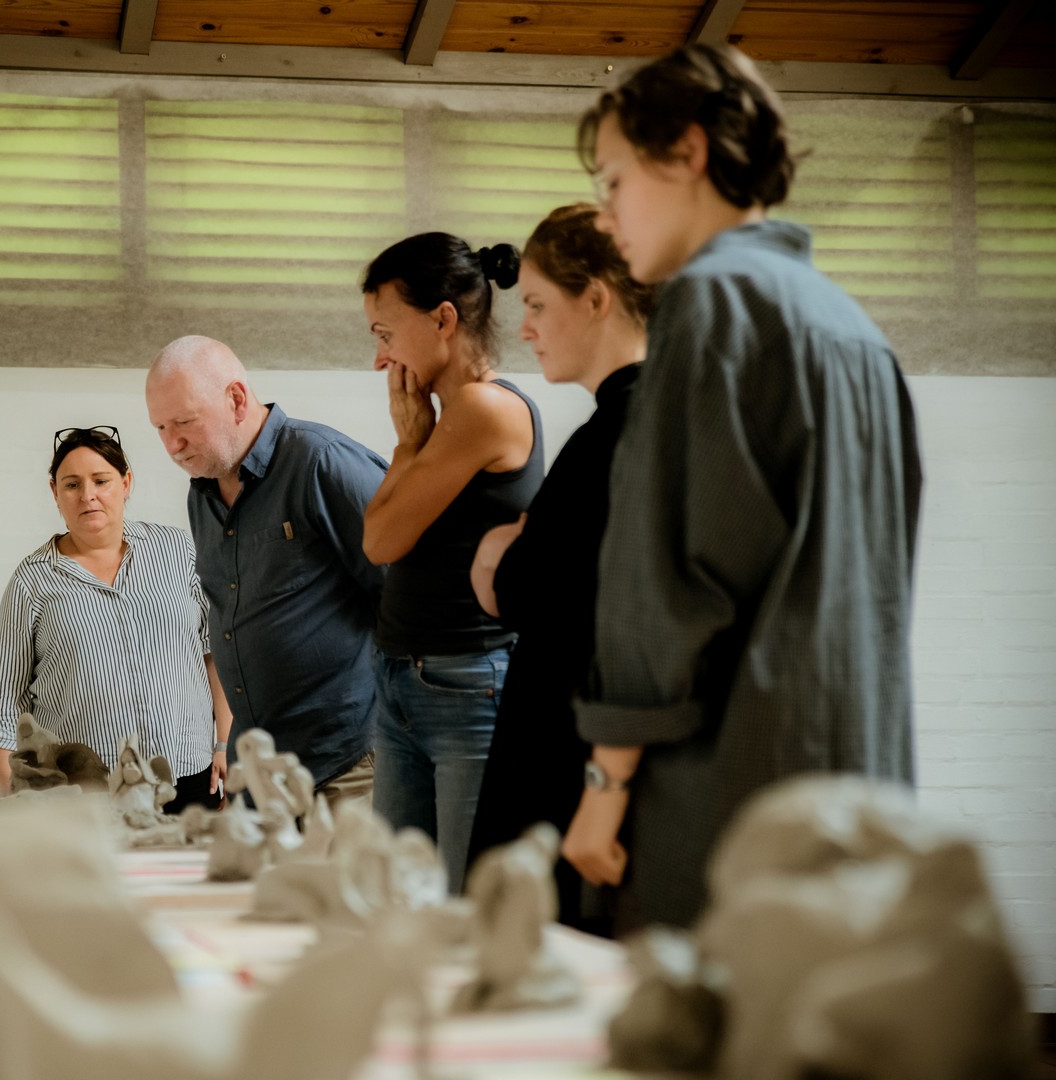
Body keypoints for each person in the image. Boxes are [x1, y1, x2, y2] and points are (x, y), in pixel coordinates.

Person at [564, 43, 923, 929]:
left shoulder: (711, 303)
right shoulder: (852, 326)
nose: (607, 215)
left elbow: (663, 582)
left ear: (687, 152)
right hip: (854, 781)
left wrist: (605, 783)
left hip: (724, 788)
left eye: (614, 181)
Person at [463, 203, 654, 935]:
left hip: (569, 757)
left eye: (539, 305)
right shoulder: (625, 424)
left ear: (596, 298)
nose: (526, 328)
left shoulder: (619, 434)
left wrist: (500, 553)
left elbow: (519, 589)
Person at [360, 233, 545, 894]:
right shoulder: (447, 417)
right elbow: (378, 532)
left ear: (443, 319)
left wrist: (408, 444)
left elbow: (380, 541)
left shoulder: (482, 408)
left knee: (465, 904)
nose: (381, 359)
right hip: (407, 679)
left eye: (386, 334)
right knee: (397, 899)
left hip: (465, 684)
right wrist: (410, 442)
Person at [145, 337, 387, 806]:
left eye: (184, 422)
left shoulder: (322, 462)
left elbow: (411, 589)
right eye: (160, 427)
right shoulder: (201, 494)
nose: (173, 444)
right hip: (257, 773)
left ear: (236, 399)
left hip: (345, 765)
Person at [0, 425, 233, 810]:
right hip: (86, 793)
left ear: (126, 483)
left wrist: (225, 743)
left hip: (189, 776)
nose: (88, 495)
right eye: (72, 485)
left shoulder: (177, 551)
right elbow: (4, 710)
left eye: (101, 481)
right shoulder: (31, 582)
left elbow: (216, 650)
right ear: (55, 493)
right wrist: (10, 808)